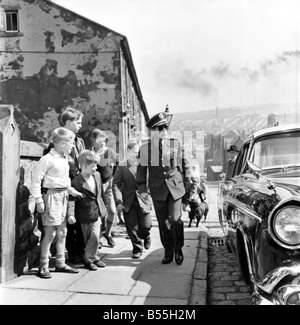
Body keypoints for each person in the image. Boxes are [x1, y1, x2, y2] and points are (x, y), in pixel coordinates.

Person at [136, 111, 192, 265]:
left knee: (175, 220)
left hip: (175, 188)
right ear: (153, 132)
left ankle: (178, 248)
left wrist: (188, 186)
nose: (165, 131)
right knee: (162, 223)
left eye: (166, 127)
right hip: (157, 190)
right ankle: (168, 250)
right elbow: (141, 172)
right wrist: (142, 192)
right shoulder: (145, 150)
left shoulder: (175, 143)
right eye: (161, 128)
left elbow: (186, 165)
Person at [31, 127, 83, 279]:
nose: (72, 146)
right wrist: (39, 201)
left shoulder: (66, 159)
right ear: (61, 143)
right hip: (51, 197)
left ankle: (60, 263)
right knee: (50, 233)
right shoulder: (47, 159)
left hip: (63, 196)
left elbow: (64, 180)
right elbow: (36, 181)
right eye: (71, 143)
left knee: (63, 232)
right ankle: (43, 265)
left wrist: (71, 191)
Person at [43, 107, 86, 264]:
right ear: (68, 122)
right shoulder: (55, 144)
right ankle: (72, 253)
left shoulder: (79, 141)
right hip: (62, 188)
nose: (80, 125)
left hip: (77, 186)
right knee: (67, 222)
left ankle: (81, 252)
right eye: (78, 122)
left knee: (78, 219)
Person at [68, 150, 107, 270]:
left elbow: (100, 193)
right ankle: (86, 256)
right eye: (93, 166)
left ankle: (92, 258)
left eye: (96, 165)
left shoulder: (97, 175)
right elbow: (72, 200)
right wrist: (70, 214)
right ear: (84, 166)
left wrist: (103, 207)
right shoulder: (76, 182)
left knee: (95, 236)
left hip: (96, 212)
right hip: (83, 214)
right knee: (84, 238)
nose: (96, 168)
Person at [113, 140, 152, 259]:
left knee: (146, 225)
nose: (136, 155)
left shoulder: (144, 164)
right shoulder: (122, 165)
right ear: (128, 151)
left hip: (143, 199)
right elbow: (116, 184)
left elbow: (151, 180)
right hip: (128, 200)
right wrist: (119, 202)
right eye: (134, 152)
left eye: (138, 152)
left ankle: (146, 235)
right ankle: (137, 248)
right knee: (132, 227)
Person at [91, 129, 119, 247]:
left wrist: (115, 181)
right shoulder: (90, 153)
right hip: (95, 186)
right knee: (99, 213)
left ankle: (108, 234)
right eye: (100, 140)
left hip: (108, 185)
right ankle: (99, 238)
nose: (103, 143)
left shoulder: (110, 152)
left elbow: (118, 165)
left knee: (112, 210)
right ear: (94, 140)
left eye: (104, 140)